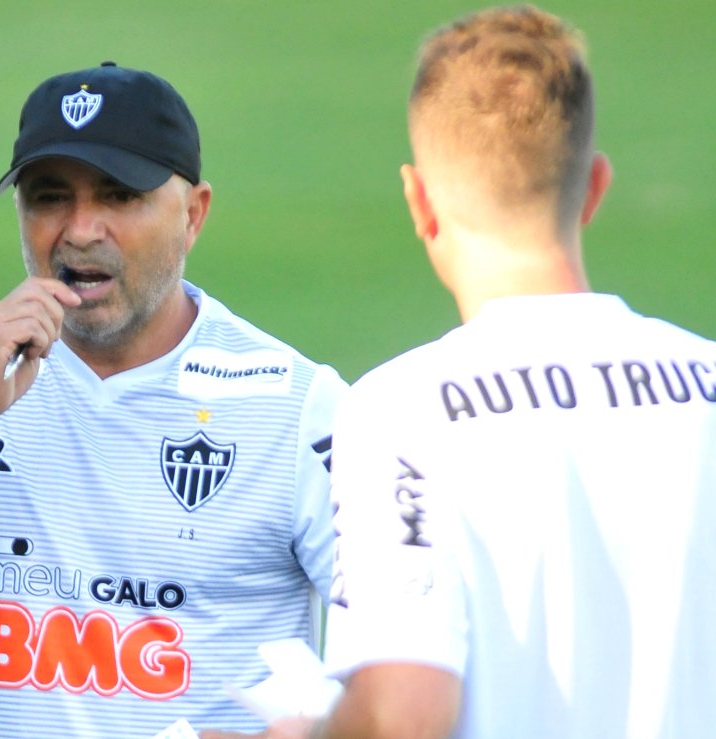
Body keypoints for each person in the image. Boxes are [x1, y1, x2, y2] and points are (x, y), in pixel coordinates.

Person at [205, 5, 716, 738]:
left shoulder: (401, 411)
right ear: (594, 187)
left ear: (420, 202)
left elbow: (403, 714)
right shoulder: (707, 383)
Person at [0, 61, 348, 738]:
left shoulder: (296, 407)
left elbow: (411, 664)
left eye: (119, 196)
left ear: (193, 215)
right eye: (50, 196)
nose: (81, 229)